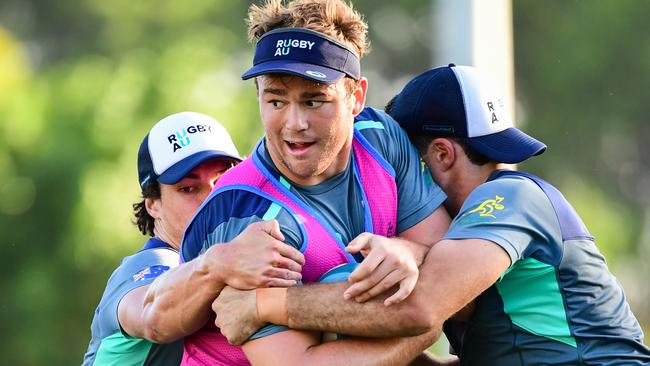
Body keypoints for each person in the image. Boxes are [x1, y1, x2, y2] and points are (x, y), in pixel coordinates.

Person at [214, 64, 650, 365]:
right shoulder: (480, 226)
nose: (398, 184)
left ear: (441, 155)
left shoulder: (511, 198)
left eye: (408, 163)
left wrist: (261, 304)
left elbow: (420, 309)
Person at [177, 0, 452, 364]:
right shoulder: (246, 218)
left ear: (356, 98)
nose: (294, 123)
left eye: (313, 101)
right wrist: (423, 325)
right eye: (276, 101)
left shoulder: (381, 137)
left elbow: (445, 254)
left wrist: (408, 251)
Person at [82, 112, 306, 365]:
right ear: (153, 204)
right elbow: (152, 315)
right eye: (188, 189)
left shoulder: (250, 257)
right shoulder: (151, 264)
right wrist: (218, 264)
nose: (212, 198)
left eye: (221, 180)